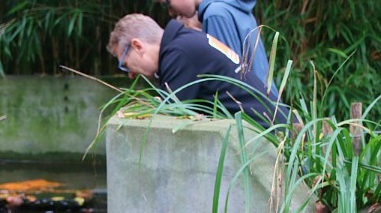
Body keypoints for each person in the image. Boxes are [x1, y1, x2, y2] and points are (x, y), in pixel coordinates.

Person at [107, 14, 290, 129]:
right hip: (276, 125)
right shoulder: (185, 42)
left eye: (124, 63)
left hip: (269, 135)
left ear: (138, 46)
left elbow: (171, 115)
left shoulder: (178, 55)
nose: (130, 74)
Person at [145, 0, 277, 94]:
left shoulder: (215, 14)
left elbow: (228, 82)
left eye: (168, 4)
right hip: (268, 105)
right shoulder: (230, 2)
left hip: (254, 112)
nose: (170, 12)